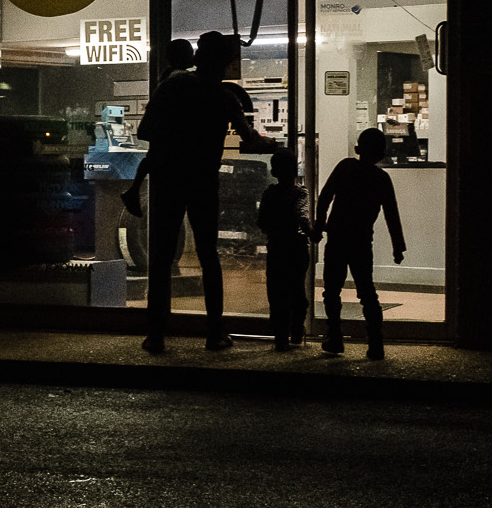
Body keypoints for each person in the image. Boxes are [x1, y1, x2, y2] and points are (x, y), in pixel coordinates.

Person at [135, 30, 283, 352]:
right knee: (208, 257)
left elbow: (145, 131)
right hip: (203, 181)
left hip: (167, 180)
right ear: (223, 64)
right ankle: (214, 332)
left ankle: (155, 334)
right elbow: (251, 140)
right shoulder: (224, 97)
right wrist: (274, 144)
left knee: (160, 258)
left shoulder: (172, 85)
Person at [315, 127, 405, 359]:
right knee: (367, 292)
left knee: (332, 291)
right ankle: (376, 344)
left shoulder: (345, 167)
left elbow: (325, 196)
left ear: (358, 149)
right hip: (362, 241)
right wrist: (398, 246)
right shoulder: (382, 179)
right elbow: (391, 215)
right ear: (381, 154)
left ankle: (334, 338)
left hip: (336, 238)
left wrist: (319, 223)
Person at [120, 38, 197, 219]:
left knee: (152, 157)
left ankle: (133, 190)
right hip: (170, 149)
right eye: (190, 53)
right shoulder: (181, 79)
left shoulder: (167, 77)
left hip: (159, 139)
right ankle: (133, 190)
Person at [256, 145, 315, 352]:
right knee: (297, 289)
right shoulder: (300, 193)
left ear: (273, 172)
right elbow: (302, 217)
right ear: (295, 169)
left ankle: (280, 335)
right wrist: (312, 233)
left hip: (277, 247)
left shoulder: (269, 193)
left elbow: (261, 220)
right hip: (297, 248)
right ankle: (297, 330)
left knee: (277, 291)